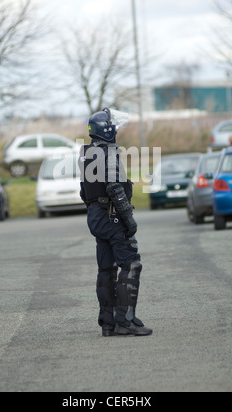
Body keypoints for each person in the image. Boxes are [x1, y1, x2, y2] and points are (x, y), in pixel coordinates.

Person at [78, 108, 152, 337]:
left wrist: (97, 211)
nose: (117, 130)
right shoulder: (109, 152)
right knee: (131, 264)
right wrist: (128, 219)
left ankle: (107, 323)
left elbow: (83, 192)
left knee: (106, 269)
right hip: (111, 216)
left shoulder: (86, 153)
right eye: (115, 127)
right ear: (107, 129)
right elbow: (114, 187)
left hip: (96, 217)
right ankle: (125, 321)